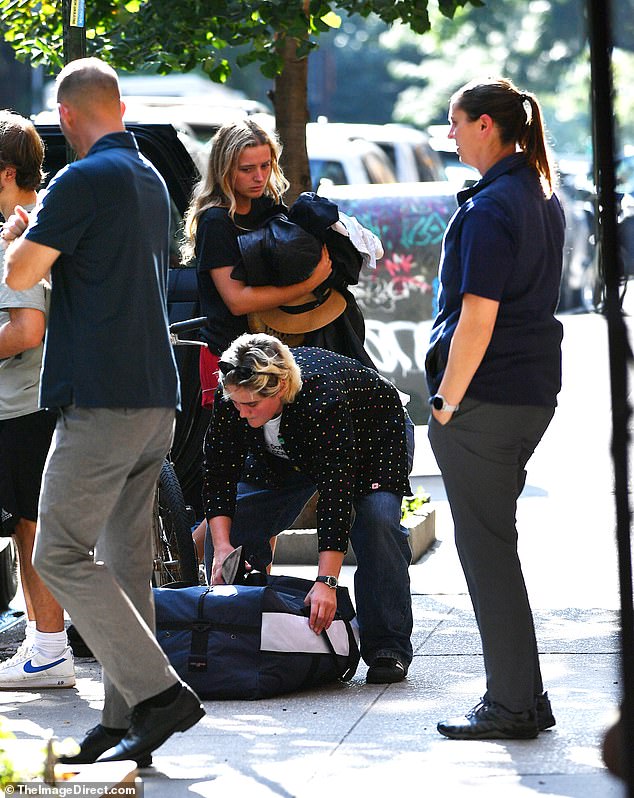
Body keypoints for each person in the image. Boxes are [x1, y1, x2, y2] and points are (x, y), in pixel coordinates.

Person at [3, 57, 204, 766]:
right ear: (116, 107)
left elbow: (23, 274)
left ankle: (159, 696)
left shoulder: (81, 179)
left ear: (64, 118)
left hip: (102, 401)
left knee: (56, 550)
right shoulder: (148, 175)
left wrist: (16, 238)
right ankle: (126, 724)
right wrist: (40, 231)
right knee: (125, 566)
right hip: (157, 399)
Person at [425, 77, 565, 739]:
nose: (449, 134)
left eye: (454, 122)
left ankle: (510, 704)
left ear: (486, 125)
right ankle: (524, 697)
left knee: (487, 554)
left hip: (485, 400)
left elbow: (476, 320)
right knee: (495, 550)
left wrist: (446, 402)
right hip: (526, 393)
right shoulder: (535, 191)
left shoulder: (494, 205)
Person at [202, 332, 413, 684]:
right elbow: (219, 473)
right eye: (236, 403)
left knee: (377, 522)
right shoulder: (236, 398)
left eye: (251, 405)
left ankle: (386, 645)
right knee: (237, 520)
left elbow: (335, 492)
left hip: (372, 438)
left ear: (280, 387)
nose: (241, 412)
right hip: (284, 450)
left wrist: (326, 582)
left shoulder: (321, 397)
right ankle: (240, 637)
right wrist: (223, 547)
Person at [0, 111, 75, 689]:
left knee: (33, 529)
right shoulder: (40, 217)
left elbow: (26, 328)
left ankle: (48, 647)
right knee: (31, 526)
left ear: (4, 173)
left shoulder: (22, 228)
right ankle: (43, 644)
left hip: (21, 405)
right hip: (28, 401)